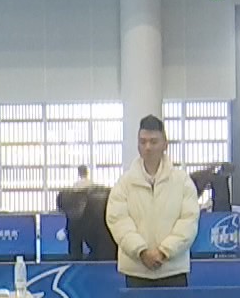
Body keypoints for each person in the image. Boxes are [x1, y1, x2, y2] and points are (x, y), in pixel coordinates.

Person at [106, 116, 199, 288]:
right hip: (136, 272)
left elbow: (188, 221)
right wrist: (141, 251)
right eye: (143, 142)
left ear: (165, 144)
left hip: (173, 271)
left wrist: (164, 251)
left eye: (153, 141)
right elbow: (118, 221)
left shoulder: (183, 182)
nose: (148, 147)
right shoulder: (124, 184)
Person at [58, 184, 116, 261]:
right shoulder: (72, 216)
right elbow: (74, 246)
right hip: (97, 246)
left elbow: (107, 244)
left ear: (82, 202)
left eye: (73, 211)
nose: (71, 215)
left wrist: (103, 264)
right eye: (67, 213)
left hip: (114, 242)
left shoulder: (100, 208)